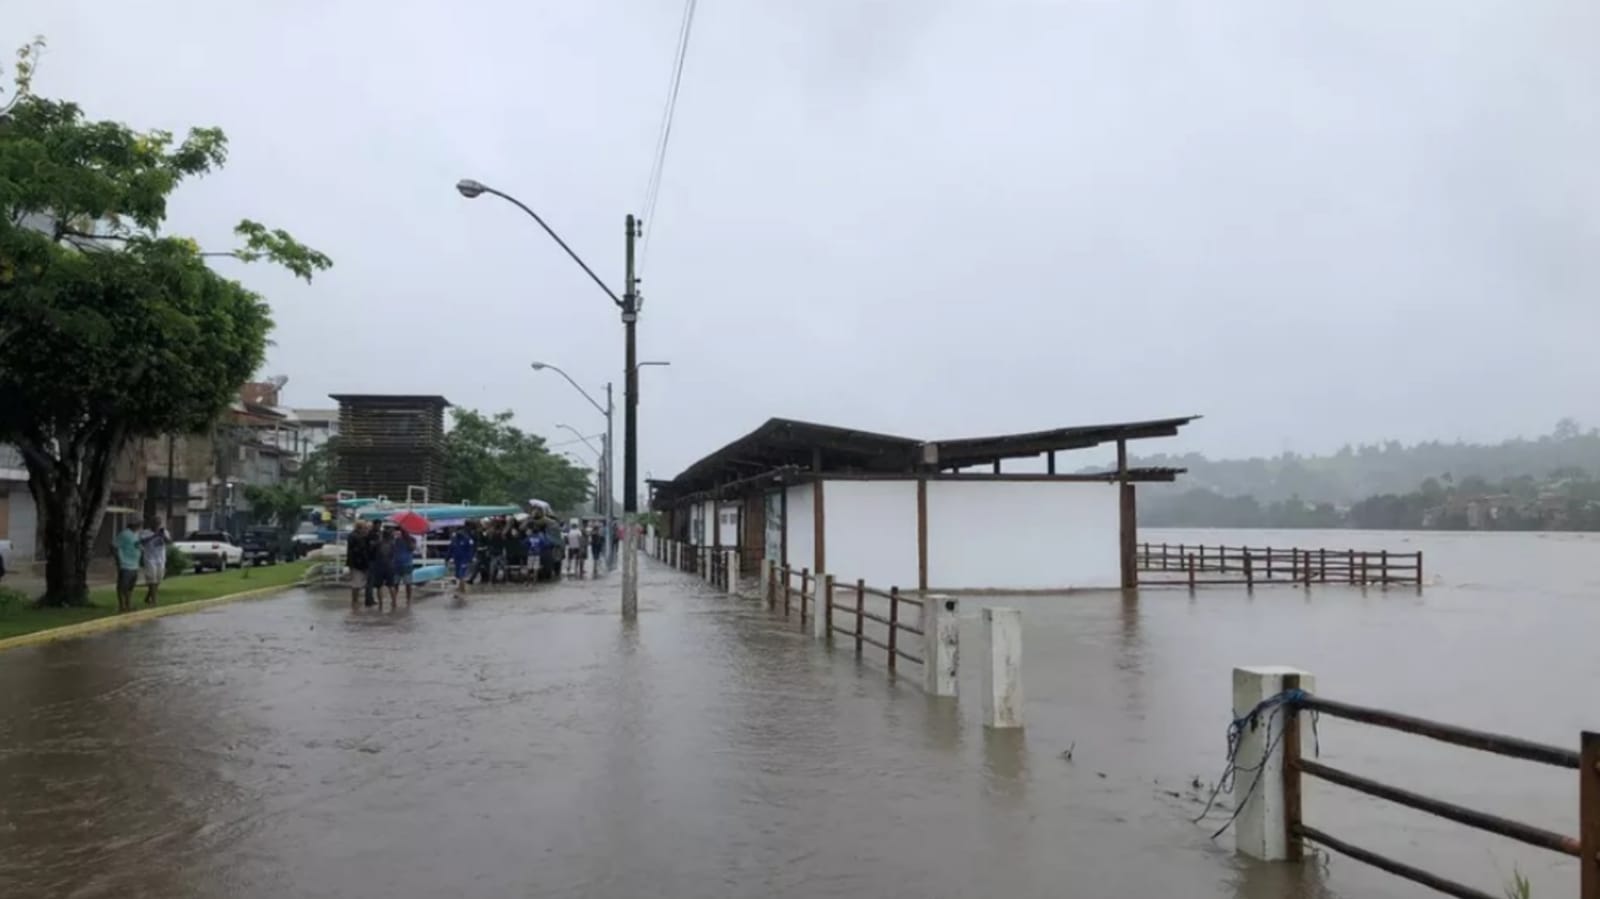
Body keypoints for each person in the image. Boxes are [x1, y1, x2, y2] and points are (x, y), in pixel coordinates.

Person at [137, 516, 171, 606]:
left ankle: (148, 597)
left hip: (161, 558)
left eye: (159, 523)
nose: (157, 525)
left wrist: (163, 536)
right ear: (151, 523)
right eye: (155, 523)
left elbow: (169, 542)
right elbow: (142, 542)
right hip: (150, 558)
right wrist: (154, 535)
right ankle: (154, 600)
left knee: (158, 578)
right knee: (152, 579)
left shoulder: (164, 532)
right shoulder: (145, 532)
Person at [113, 519, 142, 613]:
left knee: (130, 587)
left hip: (134, 565)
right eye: (139, 524)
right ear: (133, 524)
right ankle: (122, 606)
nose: (140, 526)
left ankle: (128, 605)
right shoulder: (125, 534)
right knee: (122, 587)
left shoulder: (135, 534)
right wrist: (118, 560)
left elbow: (137, 546)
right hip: (125, 565)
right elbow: (113, 545)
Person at [346, 521, 371, 610]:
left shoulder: (353, 536)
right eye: (365, 528)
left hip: (355, 563)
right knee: (356, 584)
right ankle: (354, 602)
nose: (366, 530)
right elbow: (360, 552)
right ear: (360, 528)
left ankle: (355, 602)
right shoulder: (357, 537)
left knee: (357, 584)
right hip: (357, 564)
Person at [370, 526, 395, 610]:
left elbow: (371, 552)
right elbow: (393, 555)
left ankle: (380, 604)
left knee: (379, 586)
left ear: (382, 535)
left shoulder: (377, 543)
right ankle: (394, 602)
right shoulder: (392, 544)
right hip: (390, 566)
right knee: (391, 585)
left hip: (379, 566)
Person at [391, 528, 415, 607]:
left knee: (405, 584)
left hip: (403, 564)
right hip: (400, 564)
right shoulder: (397, 540)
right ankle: (396, 601)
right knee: (397, 584)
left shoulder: (410, 540)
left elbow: (412, 548)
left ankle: (406, 600)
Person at [448, 525, 475, 593]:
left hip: (464, 559)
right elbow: (450, 549)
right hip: (457, 560)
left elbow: (471, 550)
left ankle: (462, 590)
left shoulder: (467, 539)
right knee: (457, 574)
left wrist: (470, 558)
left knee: (461, 574)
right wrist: (447, 558)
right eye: (458, 530)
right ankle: (460, 588)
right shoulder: (454, 539)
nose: (459, 532)